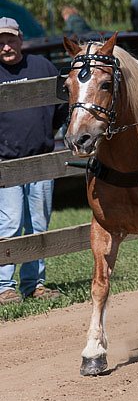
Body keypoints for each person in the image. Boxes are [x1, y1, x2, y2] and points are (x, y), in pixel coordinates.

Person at [0, 17, 67, 304]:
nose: (6, 47)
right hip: (6, 165)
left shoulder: (42, 67)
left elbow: (62, 109)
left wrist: (44, 134)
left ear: (21, 39)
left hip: (41, 160)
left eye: (11, 40)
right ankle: (5, 286)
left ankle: (34, 284)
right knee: (10, 223)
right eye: (0, 42)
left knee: (38, 223)